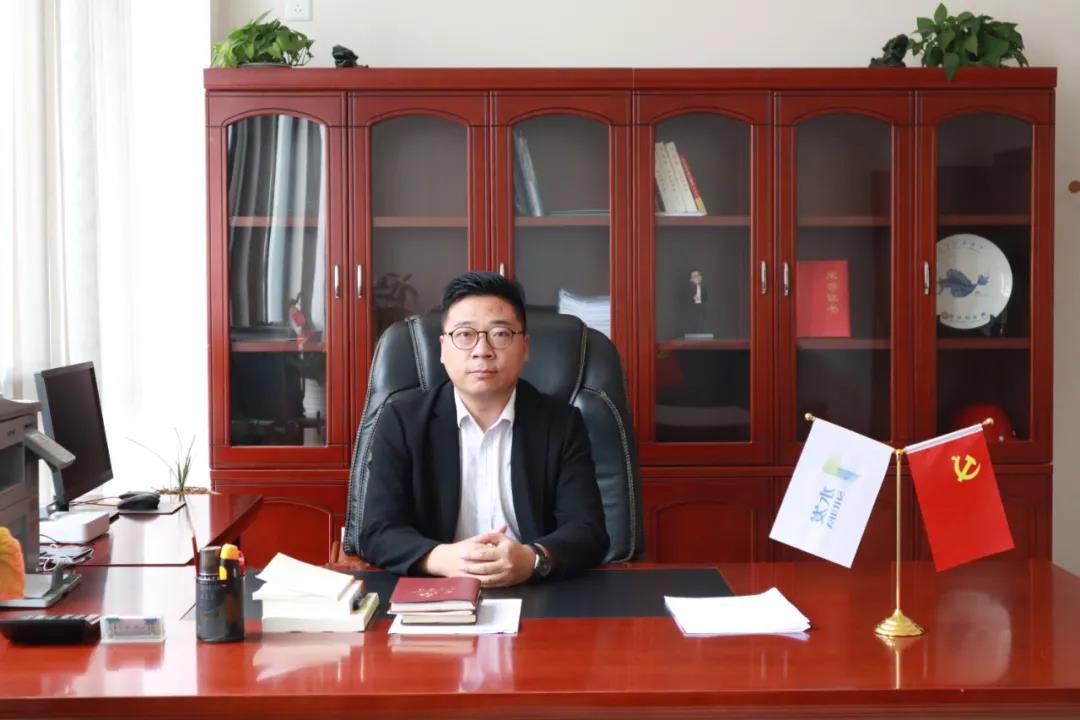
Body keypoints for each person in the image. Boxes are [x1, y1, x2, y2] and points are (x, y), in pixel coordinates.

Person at [357, 271, 609, 587]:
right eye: (464, 334)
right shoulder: (402, 421)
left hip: (534, 589)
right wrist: (444, 559)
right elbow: (377, 530)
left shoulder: (561, 423)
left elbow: (587, 530)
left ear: (525, 347)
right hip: (436, 591)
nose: (482, 350)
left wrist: (532, 559)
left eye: (500, 334)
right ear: (442, 348)